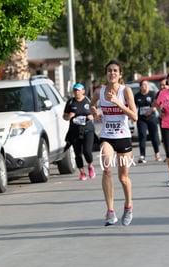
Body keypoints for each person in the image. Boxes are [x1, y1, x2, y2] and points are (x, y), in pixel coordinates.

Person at [89, 60, 137, 226]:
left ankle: (128, 206)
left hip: (123, 137)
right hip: (107, 137)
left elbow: (134, 116)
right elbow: (91, 105)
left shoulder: (126, 91)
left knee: (123, 177)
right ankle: (110, 211)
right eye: (109, 70)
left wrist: (117, 102)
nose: (112, 73)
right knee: (107, 170)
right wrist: (95, 113)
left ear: (120, 74)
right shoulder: (100, 91)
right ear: (106, 73)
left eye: (115, 71)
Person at [63, 83, 96, 181]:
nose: (76, 92)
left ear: (83, 91)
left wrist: (92, 116)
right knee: (77, 153)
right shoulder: (70, 102)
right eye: (75, 90)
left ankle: (90, 166)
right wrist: (69, 116)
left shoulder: (88, 101)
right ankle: (82, 173)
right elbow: (64, 116)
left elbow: (95, 112)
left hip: (87, 129)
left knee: (87, 151)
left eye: (78, 90)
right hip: (74, 131)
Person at [134, 80, 162, 163]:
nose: (145, 86)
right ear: (140, 87)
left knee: (154, 136)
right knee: (142, 135)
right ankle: (142, 155)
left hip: (151, 118)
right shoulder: (137, 96)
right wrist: (133, 116)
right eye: (143, 85)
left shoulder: (152, 94)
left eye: (146, 85)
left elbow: (156, 104)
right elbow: (134, 106)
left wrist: (150, 110)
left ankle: (157, 153)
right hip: (141, 119)